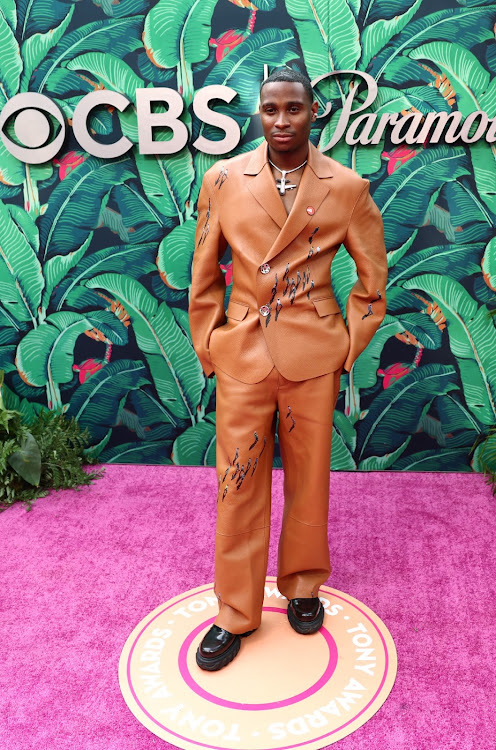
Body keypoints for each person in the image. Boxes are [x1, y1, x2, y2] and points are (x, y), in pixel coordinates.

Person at [188, 69, 387, 671]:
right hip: (244, 356)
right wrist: (212, 344)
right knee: (238, 484)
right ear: (256, 114)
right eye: (270, 109)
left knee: (310, 480)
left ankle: (302, 585)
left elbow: (372, 281)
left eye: (294, 109)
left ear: (313, 112)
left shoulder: (346, 186)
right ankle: (236, 613)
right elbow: (203, 272)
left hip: (312, 357)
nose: (281, 121)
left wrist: (345, 347)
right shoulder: (223, 180)